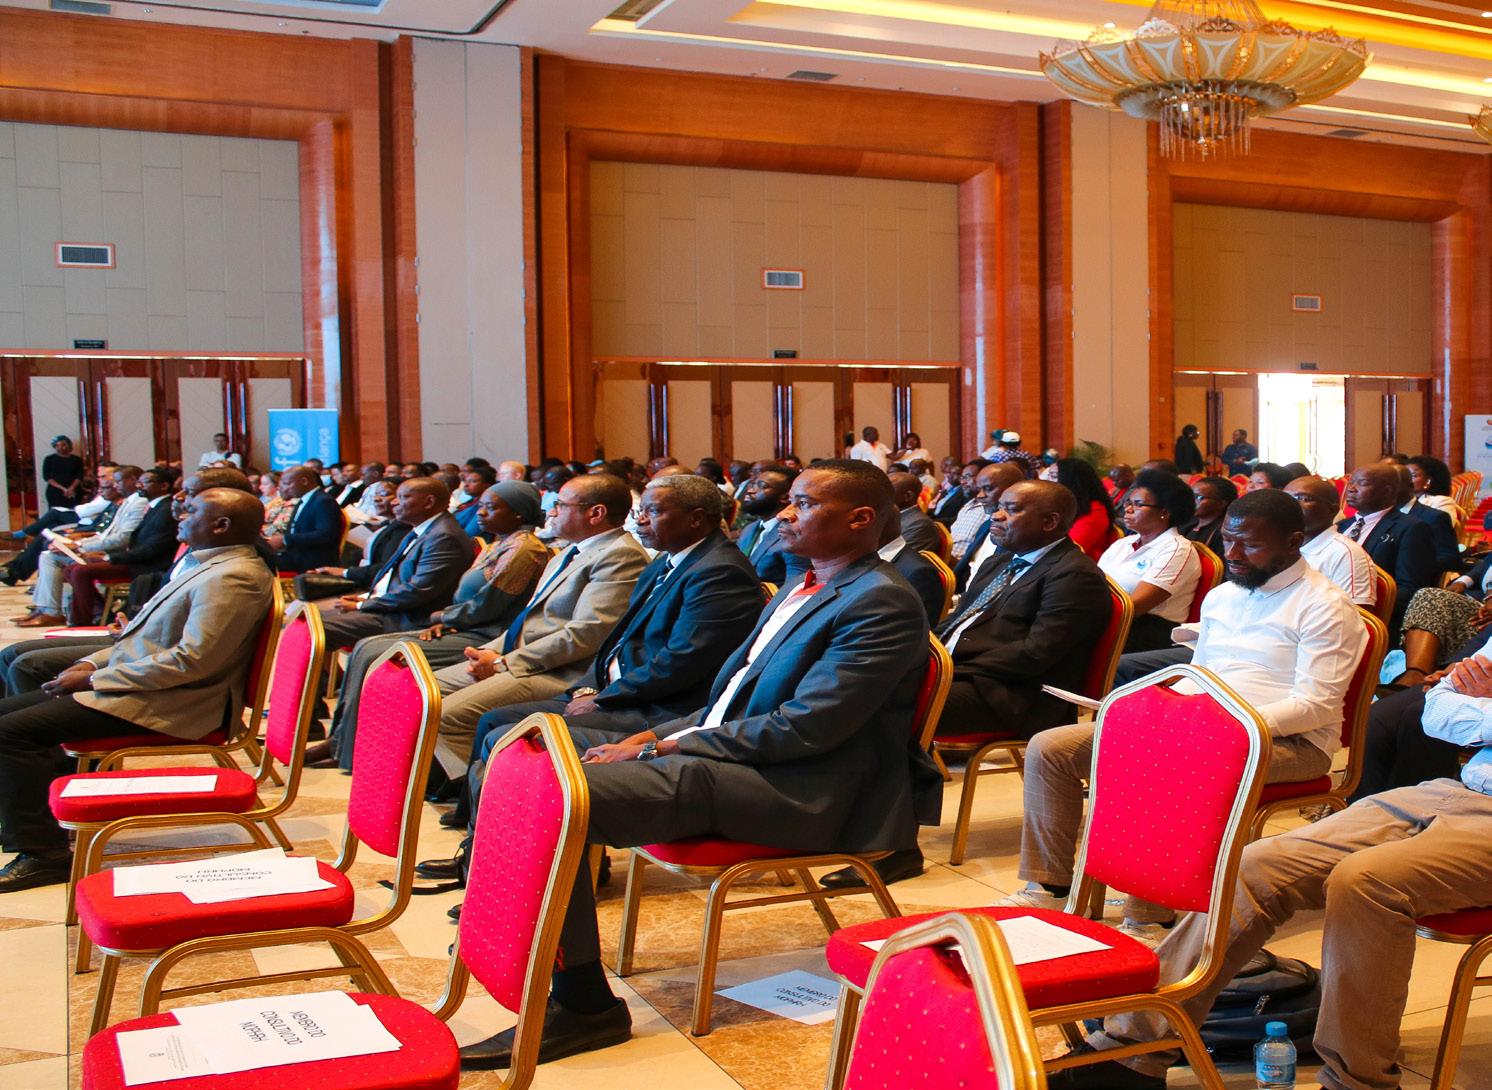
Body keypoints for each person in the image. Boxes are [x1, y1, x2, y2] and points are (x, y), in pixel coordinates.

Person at [455, 461, 933, 1069]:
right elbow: (726, 699)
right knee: (515, 766)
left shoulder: (880, 601)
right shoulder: (805, 582)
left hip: (803, 787)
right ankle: (512, 932)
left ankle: (583, 1006)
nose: (786, 514)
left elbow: (806, 727)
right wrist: (650, 736)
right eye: (789, 501)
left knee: (554, 797)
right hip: (743, 759)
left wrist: (663, 748)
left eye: (805, 504)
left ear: (860, 519)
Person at [1054, 653, 1492, 1090]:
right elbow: (1433, 712)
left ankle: (1357, 1081)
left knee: (1365, 882)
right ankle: (1131, 1053)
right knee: (1256, 864)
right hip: (1453, 790)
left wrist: (1479, 706)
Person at [1011, 489, 1366, 940]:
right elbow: (1200, 675)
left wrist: (1217, 725)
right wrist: (1159, 708)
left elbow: (1315, 704)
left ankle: (1149, 915)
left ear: (1294, 541)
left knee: (1171, 756)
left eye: (1250, 545)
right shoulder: (1224, 596)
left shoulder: (1326, 606)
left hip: (1288, 743)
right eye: (1229, 540)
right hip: (1199, 726)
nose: (1233, 554)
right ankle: (1049, 884)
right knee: (1052, 748)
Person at [0, 487, 275, 892]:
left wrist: (94, 679)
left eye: (192, 511)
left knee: (9, 734)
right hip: (147, 685)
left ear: (220, 525)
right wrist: (91, 663)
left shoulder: (234, 576)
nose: (180, 515)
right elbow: (143, 639)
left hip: (177, 703)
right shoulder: (211, 563)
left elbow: (193, 662)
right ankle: (32, 816)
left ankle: (44, 853)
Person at [310, 481, 551, 771]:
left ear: (517, 513)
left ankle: (353, 750)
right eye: (481, 506)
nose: (480, 513)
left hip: (488, 636)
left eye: (491, 507)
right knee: (365, 647)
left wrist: (443, 619)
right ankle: (342, 741)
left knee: (378, 655)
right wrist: (448, 620)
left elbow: (487, 605)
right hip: (463, 625)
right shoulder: (501, 542)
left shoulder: (524, 549)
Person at [426, 473, 648, 777]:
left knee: (447, 713)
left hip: (560, 671)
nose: (551, 512)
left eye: (560, 505)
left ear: (596, 513)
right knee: (421, 691)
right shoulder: (571, 551)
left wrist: (502, 663)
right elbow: (528, 618)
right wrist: (488, 652)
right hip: (520, 656)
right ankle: (430, 778)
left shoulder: (621, 555)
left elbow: (586, 634)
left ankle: (473, 789)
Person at [935, 480, 1111, 739]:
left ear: (1049, 522)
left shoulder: (1075, 575)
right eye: (999, 507)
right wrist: (924, 651)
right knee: (882, 679)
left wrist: (948, 667)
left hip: (1013, 694)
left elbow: (1035, 654)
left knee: (894, 696)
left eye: (1011, 509)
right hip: (970, 673)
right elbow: (959, 619)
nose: (996, 515)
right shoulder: (1001, 560)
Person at [314, 477, 474, 657]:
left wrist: (364, 605)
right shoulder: (423, 529)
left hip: (409, 618)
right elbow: (393, 575)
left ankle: (324, 675)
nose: (394, 502)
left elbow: (418, 590)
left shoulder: (444, 537)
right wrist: (366, 598)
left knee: (317, 629)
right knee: (310, 620)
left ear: (429, 502)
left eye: (403, 497)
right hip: (394, 608)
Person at [16, 465, 146, 628]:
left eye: (117, 481)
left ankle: (52, 612)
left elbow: (122, 539)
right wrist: (77, 544)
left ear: (132, 480)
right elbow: (106, 534)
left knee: (55, 559)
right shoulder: (129, 501)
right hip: (105, 548)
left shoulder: (138, 503)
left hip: (114, 554)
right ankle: (45, 609)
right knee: (49, 554)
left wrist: (78, 546)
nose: (115, 485)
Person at [1098, 469, 1200, 653]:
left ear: (1164, 512)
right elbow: (1095, 583)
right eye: (1128, 503)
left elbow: (1134, 607)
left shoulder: (1177, 549)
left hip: (1149, 630)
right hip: (1112, 618)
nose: (1128, 509)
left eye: (1138, 505)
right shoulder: (1123, 543)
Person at [62, 466, 179, 625]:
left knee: (80, 571)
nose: (139, 486)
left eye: (145, 482)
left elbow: (151, 549)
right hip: (135, 559)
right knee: (71, 568)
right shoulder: (155, 507)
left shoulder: (166, 510)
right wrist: (107, 556)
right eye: (139, 482)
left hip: (147, 566)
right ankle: (103, 612)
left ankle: (81, 622)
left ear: (164, 486)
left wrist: (110, 557)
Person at [1341, 463, 1437, 641]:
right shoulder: (1342, 526)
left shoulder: (1411, 528)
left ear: (1386, 491)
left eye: (1362, 483)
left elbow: (1409, 588)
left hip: (1370, 619)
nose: (1351, 489)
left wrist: (1358, 611)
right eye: (1351, 482)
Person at [1284, 475, 1377, 608]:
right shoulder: (1280, 546)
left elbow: (1356, 614)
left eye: (1303, 498)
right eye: (1287, 499)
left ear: (1332, 510)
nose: (1291, 506)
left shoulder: (1346, 553)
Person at [951, 462, 1027, 591]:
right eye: (979, 489)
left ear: (1013, 489)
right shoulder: (986, 526)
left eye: (988, 488)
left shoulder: (1022, 536)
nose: (980, 495)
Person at [735, 465, 810, 584]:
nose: (750, 491)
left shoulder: (793, 535)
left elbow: (792, 588)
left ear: (786, 496)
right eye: (753, 485)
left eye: (762, 486)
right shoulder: (749, 529)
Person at [265, 466, 343, 572]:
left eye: (287, 484)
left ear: (304, 481)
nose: (284, 488)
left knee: (260, 562)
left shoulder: (324, 501)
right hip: (296, 554)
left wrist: (285, 540)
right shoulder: (304, 499)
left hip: (312, 560)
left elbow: (326, 535)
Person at [1054, 457, 1116, 561]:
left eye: (1053, 476)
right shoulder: (1063, 504)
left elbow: (1069, 550)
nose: (1045, 480)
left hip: (1077, 565)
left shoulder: (1095, 512)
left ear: (1071, 481)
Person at [946, 459, 994, 560]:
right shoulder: (968, 505)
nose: (962, 482)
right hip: (947, 558)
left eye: (967, 477)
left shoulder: (990, 509)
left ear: (983, 477)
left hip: (959, 565)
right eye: (962, 477)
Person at [1181, 474, 1237, 555]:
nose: (1191, 501)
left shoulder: (1224, 533)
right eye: (1190, 495)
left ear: (1221, 503)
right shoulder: (1187, 521)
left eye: (1199, 497)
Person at [889, 471, 939, 553]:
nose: (882, 495)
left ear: (907, 496)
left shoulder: (920, 525)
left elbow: (896, 556)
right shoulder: (891, 515)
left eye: (888, 491)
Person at [1407, 454, 1462, 527]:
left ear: (1428, 481)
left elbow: (1441, 529)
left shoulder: (1441, 502)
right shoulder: (1400, 501)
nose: (1406, 479)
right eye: (1405, 475)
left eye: (1413, 476)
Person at [40, 435, 86, 511]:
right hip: (55, 492)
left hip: (74, 491)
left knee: (73, 513)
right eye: (57, 445)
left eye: (63, 445)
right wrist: (64, 489)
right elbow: (47, 477)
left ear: (69, 445)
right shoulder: (49, 459)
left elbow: (79, 475)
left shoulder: (77, 460)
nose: (60, 447)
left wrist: (71, 488)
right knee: (56, 513)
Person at [930, 457, 969, 526]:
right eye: (950, 473)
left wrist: (934, 522)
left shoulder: (965, 493)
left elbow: (957, 518)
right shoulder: (946, 491)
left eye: (955, 474)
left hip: (943, 525)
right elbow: (935, 508)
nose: (950, 476)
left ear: (963, 477)